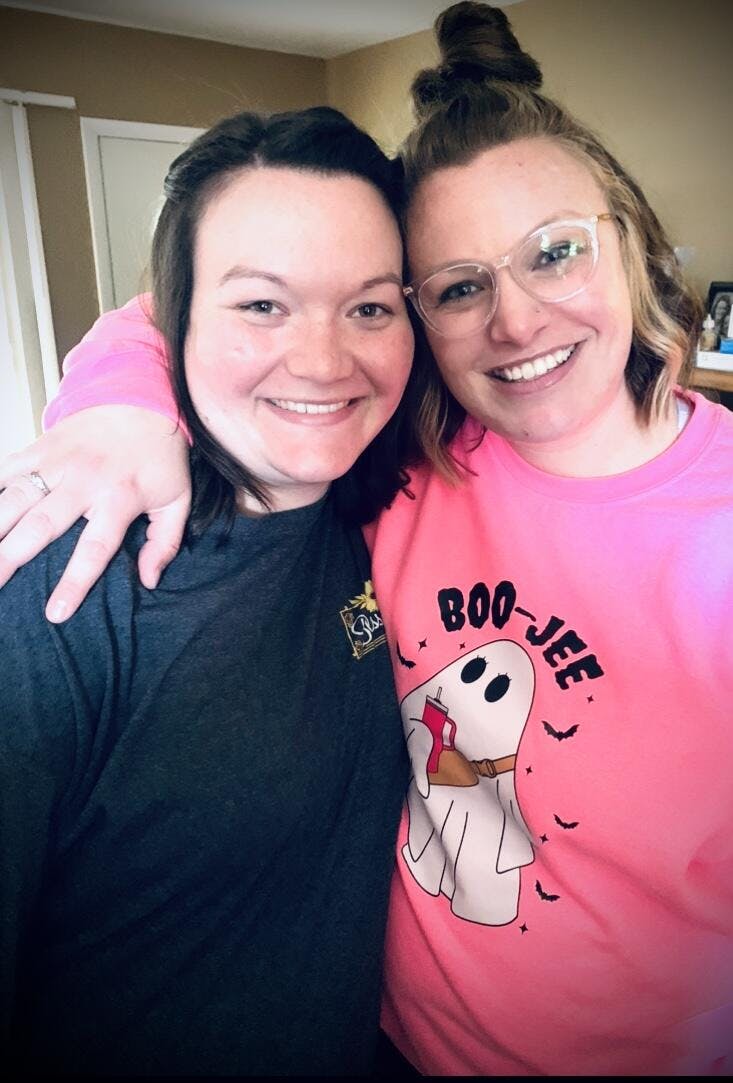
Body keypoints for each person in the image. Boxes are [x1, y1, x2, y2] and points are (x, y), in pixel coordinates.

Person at [2, 2, 732, 1076]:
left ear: (625, 239)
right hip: (393, 1042)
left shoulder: (688, 523)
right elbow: (195, 307)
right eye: (459, 288)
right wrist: (115, 397)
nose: (516, 322)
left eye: (555, 252)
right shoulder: (406, 467)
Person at [0, 105, 421, 1075]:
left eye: (369, 308)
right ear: (175, 322)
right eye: (261, 305)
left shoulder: (389, 510)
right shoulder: (63, 584)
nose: (323, 361)